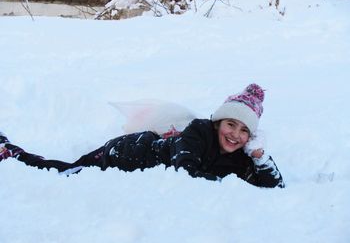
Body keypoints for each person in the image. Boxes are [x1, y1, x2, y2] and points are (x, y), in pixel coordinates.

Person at [0, 84, 285, 188]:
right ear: (218, 122)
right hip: (124, 155)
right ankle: (10, 152)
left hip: (133, 156)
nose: (235, 134)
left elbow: (275, 187)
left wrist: (259, 156)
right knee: (65, 173)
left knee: (67, 172)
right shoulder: (199, 132)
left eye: (244, 130)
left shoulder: (241, 157)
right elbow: (186, 169)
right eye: (230, 124)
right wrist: (223, 181)